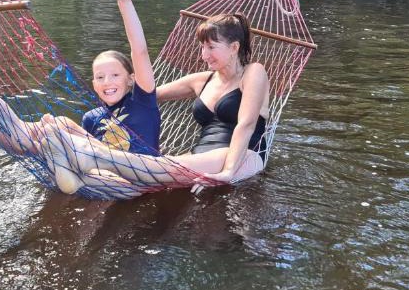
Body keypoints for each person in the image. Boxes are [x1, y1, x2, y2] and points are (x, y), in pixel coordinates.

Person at [0, 0, 161, 192]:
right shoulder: (92, 117)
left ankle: (67, 168)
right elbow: (92, 149)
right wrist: (56, 134)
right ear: (94, 82)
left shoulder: (143, 101)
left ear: (131, 79)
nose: (107, 82)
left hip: (138, 176)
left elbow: (139, 51)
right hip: (97, 168)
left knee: (60, 132)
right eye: (100, 77)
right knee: (51, 129)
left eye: (115, 75)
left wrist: (124, 1)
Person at [35, 12, 270, 194]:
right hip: (198, 159)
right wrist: (116, 83)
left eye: (211, 47)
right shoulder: (202, 80)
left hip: (242, 157)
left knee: (155, 167)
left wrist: (228, 172)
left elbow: (246, 124)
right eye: (202, 47)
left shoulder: (253, 72)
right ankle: (78, 172)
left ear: (234, 48)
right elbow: (146, 95)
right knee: (152, 169)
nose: (203, 55)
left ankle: (87, 155)